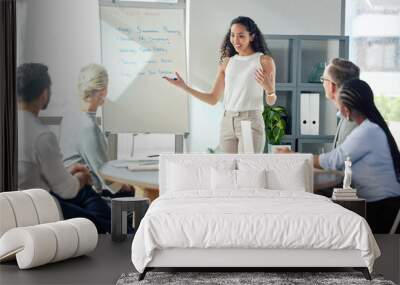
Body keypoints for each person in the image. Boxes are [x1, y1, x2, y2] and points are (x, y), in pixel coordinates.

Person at [279, 79, 400, 233]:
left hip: (382, 209)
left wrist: (293, 155)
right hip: (379, 205)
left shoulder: (367, 132)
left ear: (346, 110)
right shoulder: (371, 128)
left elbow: (333, 160)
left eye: (339, 105)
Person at [17, 63, 111, 233]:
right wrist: (82, 177)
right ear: (44, 94)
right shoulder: (41, 135)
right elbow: (67, 190)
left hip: (15, 203)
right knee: (106, 220)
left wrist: (67, 171)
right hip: (38, 207)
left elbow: (31, 172)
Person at [164, 16, 276, 153]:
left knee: (247, 169)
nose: (235, 40)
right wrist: (184, 87)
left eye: (241, 36)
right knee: (227, 169)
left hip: (250, 121)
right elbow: (213, 98)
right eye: (233, 35)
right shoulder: (227, 62)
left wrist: (270, 90)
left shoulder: (264, 61)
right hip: (227, 122)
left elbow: (271, 101)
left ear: (252, 36)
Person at [59, 63, 134, 198]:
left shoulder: (71, 116)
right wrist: (128, 187)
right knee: (133, 196)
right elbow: (105, 175)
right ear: (103, 91)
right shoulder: (88, 127)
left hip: (74, 192)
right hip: (85, 195)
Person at [320, 58, 360, 147]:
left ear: (332, 86)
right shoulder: (349, 114)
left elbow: (343, 160)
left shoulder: (353, 121)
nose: (322, 84)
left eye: (323, 80)